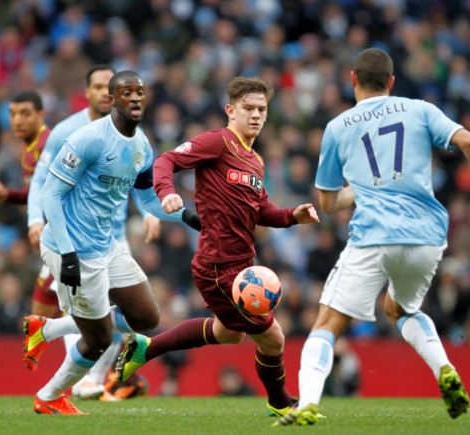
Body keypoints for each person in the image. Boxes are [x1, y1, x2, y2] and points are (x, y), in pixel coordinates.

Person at [274, 48, 470, 426]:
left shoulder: (337, 127)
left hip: (375, 236)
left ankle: (309, 402)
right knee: (400, 309)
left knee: (328, 324)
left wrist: (360, 190)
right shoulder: (419, 109)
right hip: (427, 236)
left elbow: (328, 204)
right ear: (391, 82)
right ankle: (444, 367)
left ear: (352, 79)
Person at [116, 76, 320, 417]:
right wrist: (167, 193)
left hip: (243, 265)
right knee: (274, 338)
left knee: (229, 334)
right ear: (231, 111)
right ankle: (281, 404)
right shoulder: (218, 142)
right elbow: (166, 160)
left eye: (262, 110)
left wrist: (292, 216)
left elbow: (262, 211)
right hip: (217, 267)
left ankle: (145, 348)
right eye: (248, 109)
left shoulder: (255, 161)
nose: (256, 115)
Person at [22, 70, 201, 415]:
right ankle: (48, 396)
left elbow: (148, 201)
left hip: (106, 245)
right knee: (99, 339)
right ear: (112, 100)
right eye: (126, 92)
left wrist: (186, 216)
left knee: (146, 317)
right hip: (70, 248)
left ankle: (45, 330)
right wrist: (68, 253)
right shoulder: (87, 138)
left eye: (140, 92)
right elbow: (52, 196)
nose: (135, 98)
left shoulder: (141, 145)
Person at [0, 90, 56, 326]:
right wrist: (7, 195)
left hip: (71, 238)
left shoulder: (49, 145)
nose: (17, 120)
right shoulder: (29, 148)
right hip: (54, 239)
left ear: (40, 115)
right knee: (54, 307)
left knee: (52, 309)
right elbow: (36, 194)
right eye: (13, 114)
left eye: (25, 113)